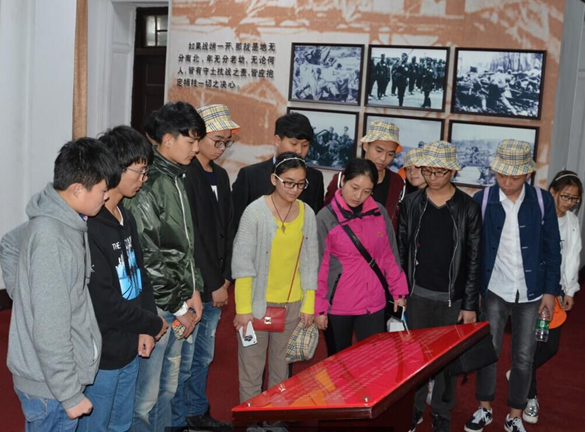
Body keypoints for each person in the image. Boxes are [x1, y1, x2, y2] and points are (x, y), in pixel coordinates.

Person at [0, 138, 120, 432]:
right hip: (50, 388)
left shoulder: (63, 218)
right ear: (78, 189)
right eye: (102, 190)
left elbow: (9, 244)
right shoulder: (51, 237)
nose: (106, 197)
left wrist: (26, 294)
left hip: (53, 381)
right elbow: (50, 329)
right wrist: (69, 394)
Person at [465, 140, 561, 432]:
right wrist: (472, 294)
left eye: (514, 177)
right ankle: (484, 408)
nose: (506, 182)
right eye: (501, 175)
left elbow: (552, 250)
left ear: (527, 175)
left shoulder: (542, 201)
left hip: (531, 291)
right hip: (493, 289)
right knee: (488, 351)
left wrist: (550, 291)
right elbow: (472, 251)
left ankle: (515, 415)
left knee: (524, 356)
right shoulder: (482, 199)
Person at [78, 126, 169, 432]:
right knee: (97, 426)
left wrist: (146, 326)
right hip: (103, 354)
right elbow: (103, 301)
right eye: (140, 172)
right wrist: (151, 324)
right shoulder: (91, 225)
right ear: (116, 168)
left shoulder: (124, 216)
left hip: (129, 344)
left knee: (121, 423)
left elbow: (140, 275)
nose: (144, 179)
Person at [128, 101, 207, 432]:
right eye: (191, 141)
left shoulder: (176, 176)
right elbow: (150, 255)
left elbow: (184, 245)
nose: (196, 148)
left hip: (177, 299)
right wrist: (179, 306)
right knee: (145, 398)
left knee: (168, 388)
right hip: (160, 304)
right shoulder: (150, 183)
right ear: (168, 139)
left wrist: (194, 288)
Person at [399, 141, 481, 432]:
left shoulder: (468, 207)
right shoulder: (411, 203)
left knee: (446, 361)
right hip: (417, 295)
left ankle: (442, 412)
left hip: (452, 299)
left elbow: (474, 259)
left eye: (439, 172)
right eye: (427, 171)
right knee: (415, 359)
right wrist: (400, 291)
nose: (432, 177)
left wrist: (469, 304)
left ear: (452, 172)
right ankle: (414, 408)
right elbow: (402, 250)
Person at [232, 152, 319, 402]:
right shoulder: (255, 213)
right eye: (288, 182)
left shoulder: (307, 213)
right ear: (274, 179)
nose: (295, 189)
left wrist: (309, 305)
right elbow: (242, 265)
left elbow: (311, 262)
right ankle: (251, 419)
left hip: (292, 306)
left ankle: (275, 418)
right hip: (256, 306)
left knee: (282, 374)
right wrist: (243, 310)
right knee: (251, 371)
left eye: (300, 184)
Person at [175, 104, 239, 432]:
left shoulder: (222, 175)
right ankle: (177, 418)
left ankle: (197, 411)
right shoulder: (185, 175)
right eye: (217, 140)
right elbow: (193, 236)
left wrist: (227, 277)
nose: (222, 147)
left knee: (203, 355)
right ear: (197, 138)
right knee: (183, 357)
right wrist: (214, 283)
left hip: (218, 281)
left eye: (227, 141)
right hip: (195, 285)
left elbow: (228, 228)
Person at [314, 158, 408, 354]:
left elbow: (389, 256)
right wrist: (319, 308)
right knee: (339, 362)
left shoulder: (379, 213)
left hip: (374, 303)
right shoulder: (325, 218)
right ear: (343, 181)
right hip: (338, 306)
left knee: (373, 360)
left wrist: (398, 292)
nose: (358, 196)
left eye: (367, 191)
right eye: (354, 187)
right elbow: (319, 267)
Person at [521, 170, 582, 424]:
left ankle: (519, 371)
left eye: (574, 199)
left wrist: (570, 289)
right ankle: (530, 397)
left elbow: (572, 257)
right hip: (533, 290)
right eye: (565, 196)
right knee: (530, 346)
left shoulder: (572, 222)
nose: (569, 203)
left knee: (550, 346)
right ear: (553, 192)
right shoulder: (538, 217)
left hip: (555, 292)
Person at [232, 112, 324, 228]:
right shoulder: (250, 176)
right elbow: (235, 222)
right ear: (277, 140)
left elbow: (314, 223)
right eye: (294, 143)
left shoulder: (315, 178)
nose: (299, 151)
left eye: (305, 145)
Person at [324, 121, 405, 231]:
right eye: (379, 150)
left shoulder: (397, 183)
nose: (383, 158)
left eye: (390, 154)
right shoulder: (342, 179)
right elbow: (326, 219)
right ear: (366, 146)